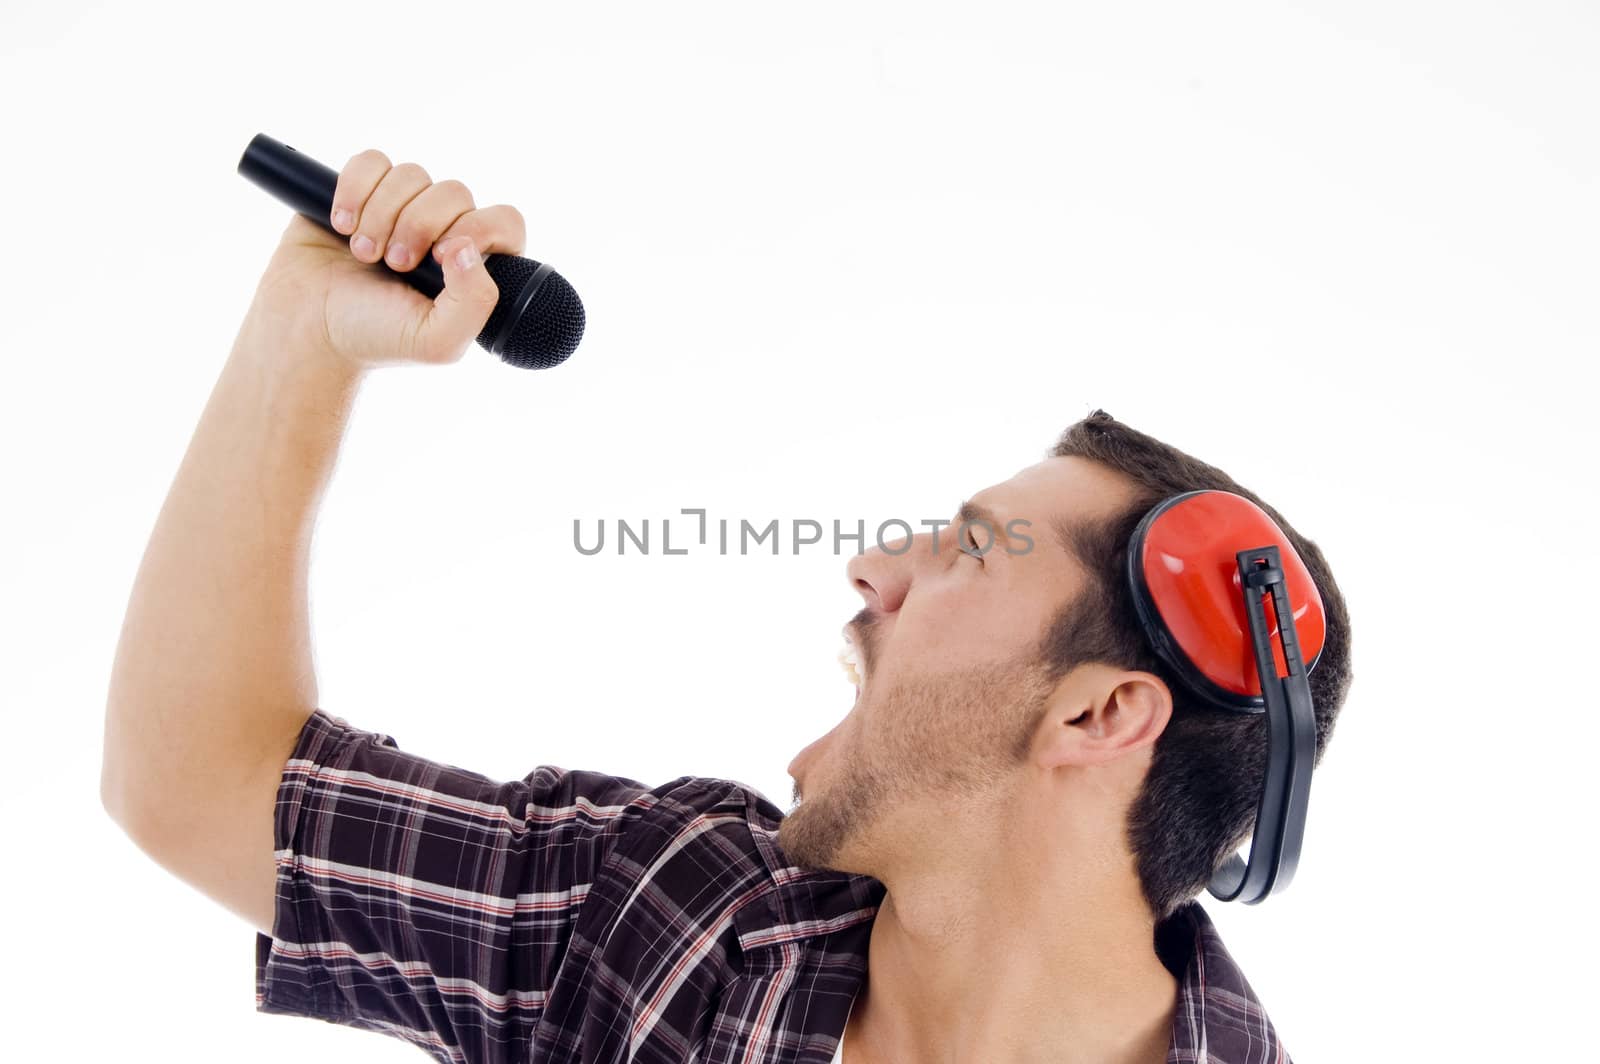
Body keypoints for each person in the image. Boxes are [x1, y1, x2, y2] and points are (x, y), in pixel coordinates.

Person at [101, 148, 1352, 1064]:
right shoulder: (671, 914)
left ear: (1099, 714)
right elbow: (196, 781)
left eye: (971, 552)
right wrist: (300, 343)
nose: (872, 567)